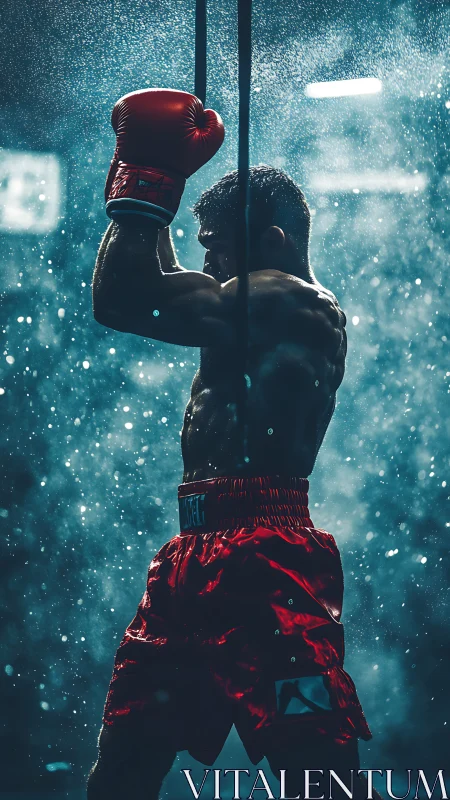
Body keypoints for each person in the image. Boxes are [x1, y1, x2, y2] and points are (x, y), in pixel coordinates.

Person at [87, 88, 372, 800]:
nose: (205, 262)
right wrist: (158, 186)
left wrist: (149, 178)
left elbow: (122, 299)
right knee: (125, 754)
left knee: (314, 764)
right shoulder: (255, 297)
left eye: (217, 247)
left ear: (269, 243)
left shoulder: (286, 300)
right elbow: (149, 282)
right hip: (197, 552)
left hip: (265, 557)